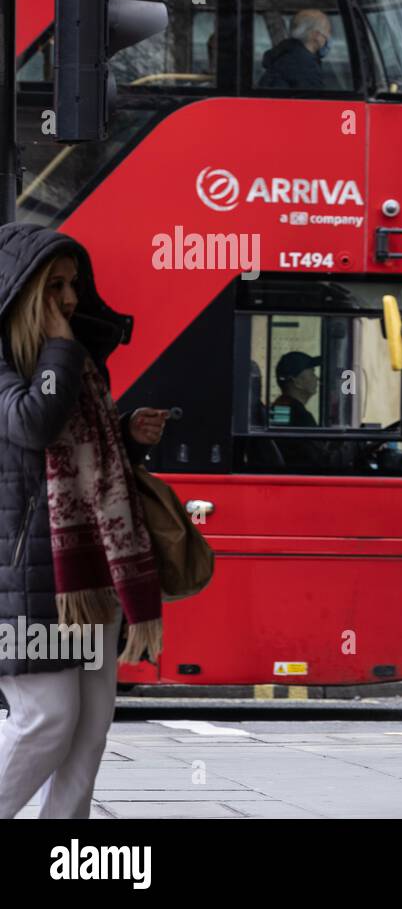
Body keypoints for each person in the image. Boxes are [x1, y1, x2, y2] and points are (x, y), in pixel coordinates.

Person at [0, 224, 167, 819]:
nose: (70, 299)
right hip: (27, 582)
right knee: (46, 721)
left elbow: (86, 465)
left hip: (88, 576)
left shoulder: (77, 366)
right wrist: (59, 346)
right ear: (22, 291)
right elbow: (34, 425)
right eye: (54, 287)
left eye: (73, 285)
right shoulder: (19, 363)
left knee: (89, 730)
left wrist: (126, 437)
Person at [259, 9, 332, 90]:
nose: (328, 36)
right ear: (315, 35)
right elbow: (316, 100)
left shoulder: (286, 53)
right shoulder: (304, 65)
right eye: (327, 31)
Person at [270, 351, 322, 427]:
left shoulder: (282, 408)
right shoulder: (301, 417)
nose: (317, 378)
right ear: (296, 381)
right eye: (312, 373)